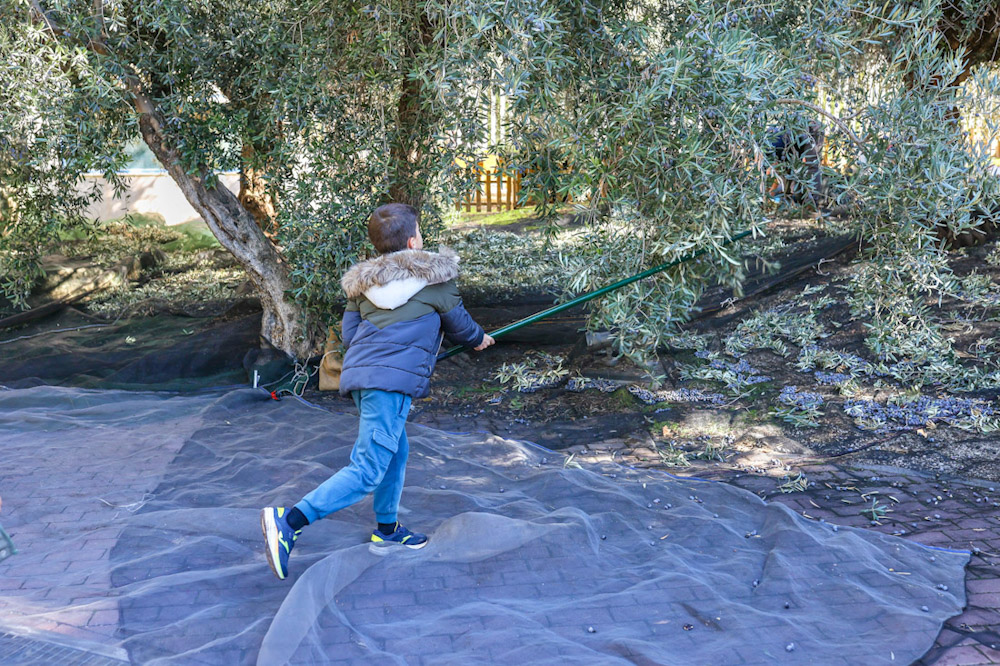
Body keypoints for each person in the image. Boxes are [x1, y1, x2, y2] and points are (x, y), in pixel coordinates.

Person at [261, 203, 494, 580]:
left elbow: (351, 335)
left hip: (362, 378)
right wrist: (480, 339)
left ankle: (386, 529)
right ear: (414, 240)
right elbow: (462, 327)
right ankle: (289, 521)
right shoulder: (435, 279)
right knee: (368, 469)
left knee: (395, 452)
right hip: (391, 385)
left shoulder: (363, 285)